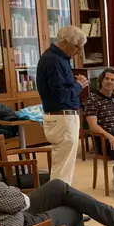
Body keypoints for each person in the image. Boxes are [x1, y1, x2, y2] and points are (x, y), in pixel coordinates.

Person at [36, 25, 88, 185]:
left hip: (61, 118)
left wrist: (74, 83)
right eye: (77, 47)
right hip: (62, 118)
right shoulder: (54, 60)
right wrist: (79, 85)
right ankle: (58, 203)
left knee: (63, 168)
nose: (78, 52)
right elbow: (60, 96)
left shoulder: (57, 58)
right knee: (62, 171)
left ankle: (60, 200)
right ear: (66, 42)